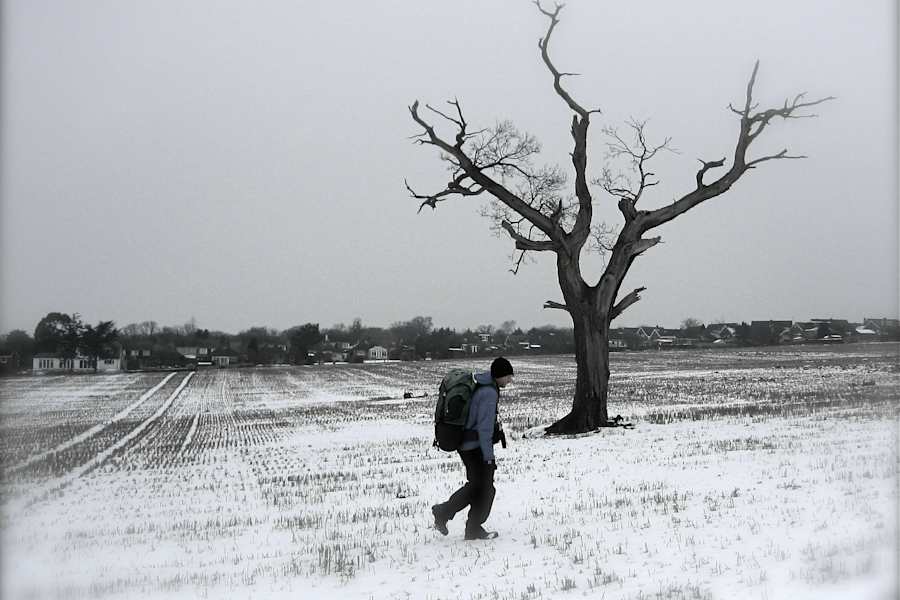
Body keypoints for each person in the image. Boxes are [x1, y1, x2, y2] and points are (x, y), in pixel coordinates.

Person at [431, 357, 514, 540]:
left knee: (478, 486)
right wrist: (489, 458)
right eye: (508, 376)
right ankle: (455, 518)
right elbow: (484, 430)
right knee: (485, 488)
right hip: (474, 446)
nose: (510, 380)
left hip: (467, 444)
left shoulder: (483, 384)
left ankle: (457, 520)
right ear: (499, 375)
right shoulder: (489, 393)